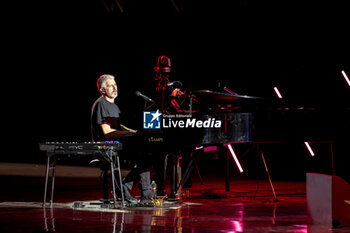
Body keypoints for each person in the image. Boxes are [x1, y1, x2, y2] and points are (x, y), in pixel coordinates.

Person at [91, 74, 156, 204]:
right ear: (103, 90)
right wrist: (131, 135)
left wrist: (135, 132)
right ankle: (141, 191)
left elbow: (119, 127)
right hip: (106, 148)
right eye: (110, 86)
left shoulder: (114, 105)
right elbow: (107, 132)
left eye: (115, 85)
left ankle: (126, 187)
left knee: (150, 155)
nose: (115, 88)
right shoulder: (101, 104)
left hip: (119, 145)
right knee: (146, 155)